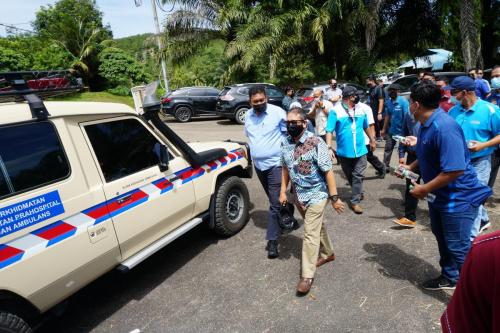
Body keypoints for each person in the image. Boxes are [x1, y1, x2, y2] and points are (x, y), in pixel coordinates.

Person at [403, 83, 492, 290]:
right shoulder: (425, 125)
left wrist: (423, 189)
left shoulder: (444, 127)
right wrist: (410, 167)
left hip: (458, 198)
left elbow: (455, 170)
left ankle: (478, 294)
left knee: (459, 247)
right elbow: (427, 153)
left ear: (416, 105)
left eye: (409, 103)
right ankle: (450, 277)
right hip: (439, 196)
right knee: (442, 238)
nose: (409, 107)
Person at [279, 107, 345, 295]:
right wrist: (283, 191)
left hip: (317, 195)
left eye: (294, 122)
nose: (290, 126)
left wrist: (334, 198)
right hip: (298, 195)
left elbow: (328, 171)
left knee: (309, 233)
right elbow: (284, 168)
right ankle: (328, 253)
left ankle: (307, 275)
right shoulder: (284, 142)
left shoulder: (316, 143)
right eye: (288, 122)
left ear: (304, 123)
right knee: (315, 226)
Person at [448, 76, 500, 237]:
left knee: (473, 197)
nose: (450, 96)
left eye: (454, 92)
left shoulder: (490, 110)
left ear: (464, 92)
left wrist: (482, 145)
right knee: (465, 194)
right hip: (458, 162)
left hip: (480, 161)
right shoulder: (453, 111)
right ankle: (483, 219)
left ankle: (470, 238)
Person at [244, 85, 287, 259]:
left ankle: (272, 241)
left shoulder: (278, 113)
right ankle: (286, 214)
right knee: (274, 199)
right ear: (250, 102)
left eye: (262, 100)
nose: (259, 103)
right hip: (259, 165)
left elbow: (288, 135)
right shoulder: (247, 116)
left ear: (266, 98)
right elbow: (250, 137)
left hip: (276, 164)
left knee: (274, 202)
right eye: (256, 102)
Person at [325, 86, 376, 214]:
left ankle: (355, 202)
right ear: (349, 97)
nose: (357, 97)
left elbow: (366, 126)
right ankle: (358, 192)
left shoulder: (361, 110)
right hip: (344, 152)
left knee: (358, 175)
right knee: (350, 176)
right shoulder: (335, 111)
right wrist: (329, 147)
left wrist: (372, 139)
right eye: (355, 95)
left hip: (360, 150)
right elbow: (329, 130)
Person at [441, 230, 500, 332]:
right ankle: (450, 276)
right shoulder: (487, 249)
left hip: (456, 213)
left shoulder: (487, 249)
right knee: (448, 240)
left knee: (457, 247)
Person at [393, 110, 421, 228]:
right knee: (411, 184)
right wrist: (401, 155)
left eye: (412, 102)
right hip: (412, 157)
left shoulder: (435, 118)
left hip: (429, 158)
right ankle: (409, 217)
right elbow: (403, 135)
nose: (410, 106)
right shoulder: (409, 116)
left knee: (433, 186)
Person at [381, 83, 409, 171]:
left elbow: (407, 117)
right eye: (390, 90)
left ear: (398, 91)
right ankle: (385, 168)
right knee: (388, 149)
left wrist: (407, 132)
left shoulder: (403, 102)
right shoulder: (388, 102)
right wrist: (384, 129)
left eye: (393, 90)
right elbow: (387, 116)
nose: (391, 92)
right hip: (391, 131)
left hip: (402, 132)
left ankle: (401, 170)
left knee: (401, 151)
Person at [487, 66, 500, 190]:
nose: (495, 79)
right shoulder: (490, 98)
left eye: (497, 76)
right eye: (492, 77)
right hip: (495, 147)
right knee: (488, 180)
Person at [366, 75, 385, 141]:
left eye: (368, 82)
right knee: (374, 122)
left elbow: (381, 100)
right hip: (372, 109)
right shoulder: (371, 89)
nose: (367, 83)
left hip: (378, 109)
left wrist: (379, 112)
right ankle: (377, 136)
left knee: (379, 122)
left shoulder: (378, 88)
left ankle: (382, 135)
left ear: (372, 81)